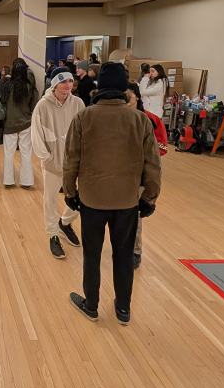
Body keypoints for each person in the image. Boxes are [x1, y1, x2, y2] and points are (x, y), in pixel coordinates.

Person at [64, 63, 161, 326]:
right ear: (123, 89)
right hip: (127, 201)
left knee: (92, 256)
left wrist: (70, 192)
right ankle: (123, 309)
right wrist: (149, 197)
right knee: (123, 255)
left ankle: (91, 305)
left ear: (98, 87)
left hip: (92, 200)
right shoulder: (139, 120)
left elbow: (71, 159)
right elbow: (152, 163)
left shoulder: (84, 117)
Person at [31, 68, 84, 259]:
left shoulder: (78, 104)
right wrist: (47, 158)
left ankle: (65, 223)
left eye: (71, 82)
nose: (69, 85)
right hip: (53, 163)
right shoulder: (42, 106)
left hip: (75, 163)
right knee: (50, 201)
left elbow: (84, 131)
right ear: (55, 84)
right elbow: (36, 135)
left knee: (80, 198)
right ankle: (53, 235)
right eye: (64, 82)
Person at [125, 83, 168, 269]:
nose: (126, 100)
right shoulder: (116, 118)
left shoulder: (152, 120)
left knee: (135, 217)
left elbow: (162, 149)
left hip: (139, 177)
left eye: (129, 96)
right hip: (119, 175)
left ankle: (135, 251)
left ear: (137, 97)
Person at [0, 59, 39, 189]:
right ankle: (26, 181)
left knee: (8, 153)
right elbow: (34, 106)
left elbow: (2, 104)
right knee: (26, 153)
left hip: (9, 124)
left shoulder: (6, 87)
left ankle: (8, 180)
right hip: (26, 123)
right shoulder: (30, 88)